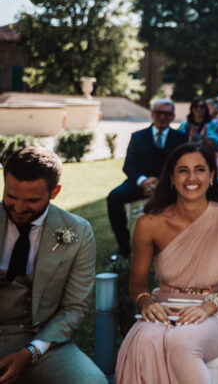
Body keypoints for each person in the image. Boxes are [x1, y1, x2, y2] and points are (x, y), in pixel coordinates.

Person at [115, 143, 218, 384]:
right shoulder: (149, 224)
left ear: (211, 176)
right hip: (164, 306)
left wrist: (208, 307)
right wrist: (146, 302)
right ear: (171, 177)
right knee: (142, 342)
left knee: (183, 342)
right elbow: (137, 283)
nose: (191, 178)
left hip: (213, 310)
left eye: (200, 169)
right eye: (183, 170)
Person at [0, 148, 106, 384]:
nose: (18, 207)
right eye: (11, 196)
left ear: (54, 192)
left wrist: (31, 352)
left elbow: (75, 308)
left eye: (31, 200)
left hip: (40, 340)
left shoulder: (78, 231)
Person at [107, 99, 186, 259]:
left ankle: (175, 246)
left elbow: (183, 167)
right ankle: (124, 248)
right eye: (158, 113)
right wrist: (143, 181)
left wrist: (162, 183)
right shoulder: (138, 137)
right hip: (139, 183)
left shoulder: (180, 139)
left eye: (166, 114)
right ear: (152, 114)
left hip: (169, 186)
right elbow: (128, 166)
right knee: (114, 197)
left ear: (173, 117)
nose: (162, 117)